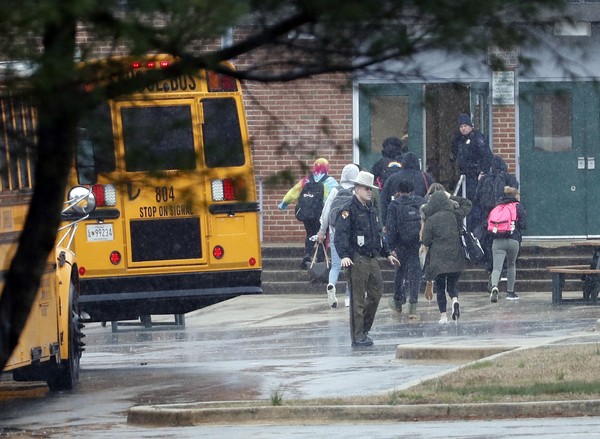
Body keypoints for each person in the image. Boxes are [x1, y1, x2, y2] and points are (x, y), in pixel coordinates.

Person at [334, 171, 400, 347]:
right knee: (358, 299)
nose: (369, 192)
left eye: (370, 189)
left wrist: (387, 253)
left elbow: (378, 234)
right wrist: (345, 256)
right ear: (356, 189)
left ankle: (364, 329)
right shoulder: (348, 210)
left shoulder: (372, 210)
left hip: (372, 257)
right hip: (357, 257)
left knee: (376, 293)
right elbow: (341, 235)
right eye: (366, 188)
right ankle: (357, 336)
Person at [421, 189, 472, 324]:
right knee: (452, 285)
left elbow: (426, 241)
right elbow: (467, 203)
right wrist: (452, 196)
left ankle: (443, 316)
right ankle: (455, 300)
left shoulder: (431, 219)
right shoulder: (455, 215)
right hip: (455, 256)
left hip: (438, 259)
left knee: (440, 288)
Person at [278, 158, 338, 269]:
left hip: (307, 213)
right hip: (321, 214)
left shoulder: (306, 180)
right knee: (323, 236)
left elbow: (293, 192)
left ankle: (307, 254)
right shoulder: (330, 181)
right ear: (327, 168)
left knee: (310, 234)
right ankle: (320, 261)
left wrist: (283, 204)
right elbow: (337, 196)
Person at [317, 163, 360, 308]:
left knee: (336, 265)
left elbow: (326, 212)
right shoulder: (356, 191)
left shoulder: (335, 190)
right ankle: (348, 297)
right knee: (350, 265)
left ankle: (331, 285)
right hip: (351, 234)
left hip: (334, 232)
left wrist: (322, 231)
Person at [386, 179, 426, 320]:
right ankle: (413, 307)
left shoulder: (394, 205)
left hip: (400, 243)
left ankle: (398, 301)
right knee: (415, 274)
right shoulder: (419, 203)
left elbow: (390, 227)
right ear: (411, 191)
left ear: (398, 191)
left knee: (400, 272)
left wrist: (390, 247)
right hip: (416, 243)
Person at [473, 155, 519, 273]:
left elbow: (477, 198)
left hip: (488, 217)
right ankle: (505, 266)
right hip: (506, 217)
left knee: (489, 241)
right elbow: (514, 194)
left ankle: (491, 266)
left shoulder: (484, 179)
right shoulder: (509, 179)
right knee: (508, 239)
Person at [450, 113, 493, 231]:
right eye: (461, 127)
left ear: (470, 126)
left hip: (474, 176)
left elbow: (486, 156)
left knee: (473, 202)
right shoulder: (460, 140)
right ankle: (464, 226)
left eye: (465, 126)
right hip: (464, 175)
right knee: (461, 201)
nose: (463, 129)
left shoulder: (477, 138)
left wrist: (482, 171)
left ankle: (473, 227)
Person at [489, 186, 527, 302]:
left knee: (496, 268)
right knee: (511, 265)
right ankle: (510, 292)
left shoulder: (498, 206)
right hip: (513, 240)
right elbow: (523, 225)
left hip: (497, 240)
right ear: (515, 196)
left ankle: (494, 286)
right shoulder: (517, 206)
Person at [380, 151, 434, 226]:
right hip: (421, 222)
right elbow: (433, 198)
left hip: (398, 223)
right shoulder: (426, 177)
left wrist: (385, 222)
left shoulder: (392, 178)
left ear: (403, 163)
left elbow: (384, 201)